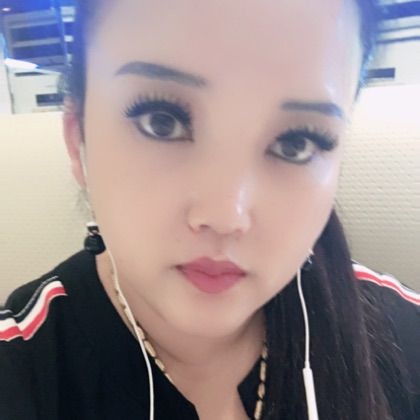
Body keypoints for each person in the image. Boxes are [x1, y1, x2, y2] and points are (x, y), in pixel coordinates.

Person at [1, 0, 420, 419]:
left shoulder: (401, 335)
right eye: (162, 121)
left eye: (296, 143)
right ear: (78, 139)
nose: (225, 217)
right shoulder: (21, 370)